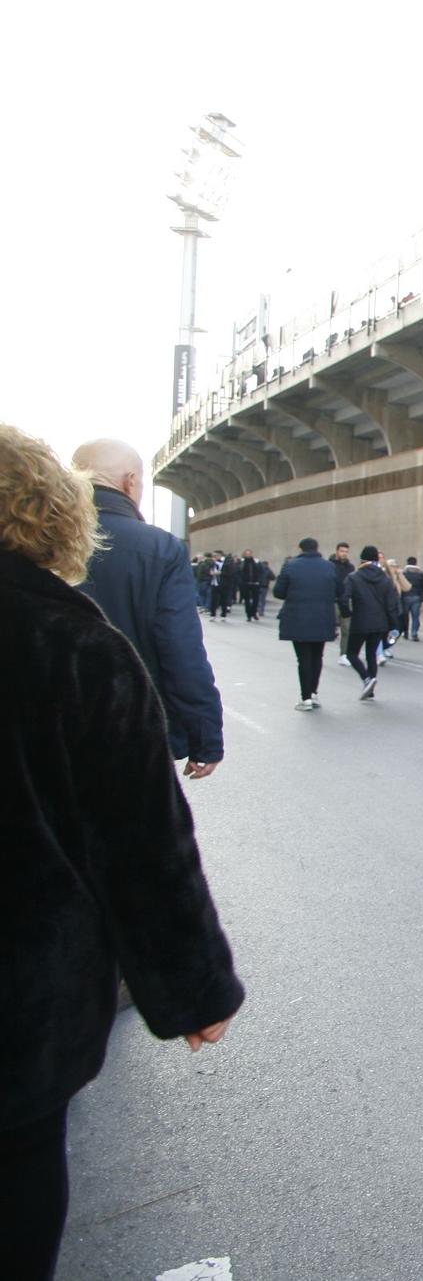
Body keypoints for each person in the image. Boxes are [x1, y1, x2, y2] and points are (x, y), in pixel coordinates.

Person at [0, 425, 243, 1281]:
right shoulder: (73, 645)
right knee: (20, 1171)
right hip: (21, 994)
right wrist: (193, 991)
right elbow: (142, 846)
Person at [71, 438, 224, 779]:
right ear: (130, 481)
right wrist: (204, 737)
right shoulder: (159, 548)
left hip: (44, 729)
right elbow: (180, 649)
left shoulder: (35, 539)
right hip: (132, 727)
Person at [272, 537, 339, 710]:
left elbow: (279, 592)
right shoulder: (330, 566)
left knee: (303, 659)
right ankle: (314, 694)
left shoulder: (290, 565)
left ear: (301, 549)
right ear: (317, 548)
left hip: (298, 618)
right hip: (323, 617)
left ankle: (306, 698)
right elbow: (339, 591)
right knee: (318, 657)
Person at [340, 545, 398, 701]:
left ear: (362, 559)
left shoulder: (353, 577)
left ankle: (366, 678)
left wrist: (348, 614)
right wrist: (393, 625)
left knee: (352, 653)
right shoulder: (385, 580)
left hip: (360, 621)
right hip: (380, 623)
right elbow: (392, 605)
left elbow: (344, 599)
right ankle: (370, 690)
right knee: (371, 654)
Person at [330, 541, 355, 648]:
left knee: (347, 630)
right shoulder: (330, 565)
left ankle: (344, 654)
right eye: (342, 551)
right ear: (337, 551)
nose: (344, 553)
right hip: (333, 600)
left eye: (346, 551)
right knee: (329, 627)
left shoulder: (350, 567)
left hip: (345, 601)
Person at [400, 555, 423, 640]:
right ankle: (414, 633)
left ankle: (405, 632)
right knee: (415, 616)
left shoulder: (404, 574)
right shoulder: (421, 574)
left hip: (405, 596)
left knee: (405, 616)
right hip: (417, 597)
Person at [238, 549, 266, 621]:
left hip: (255, 583)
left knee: (256, 600)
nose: (248, 555)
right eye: (246, 553)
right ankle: (248, 615)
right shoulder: (242, 562)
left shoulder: (256, 562)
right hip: (245, 584)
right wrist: (241, 582)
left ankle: (254, 612)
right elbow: (239, 573)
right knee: (247, 600)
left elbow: (261, 572)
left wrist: (259, 581)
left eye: (249, 553)